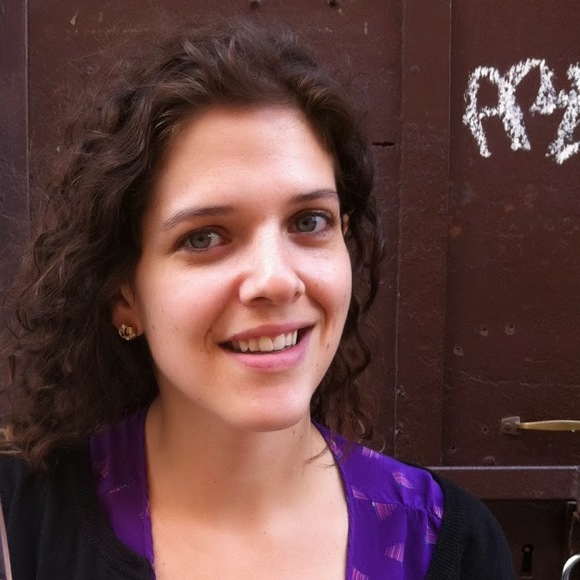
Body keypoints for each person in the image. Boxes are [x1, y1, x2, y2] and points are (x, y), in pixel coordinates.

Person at [0, 17, 514, 580]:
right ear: (125, 296)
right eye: (204, 237)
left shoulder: (447, 543)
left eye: (309, 221)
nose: (276, 280)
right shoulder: (18, 524)